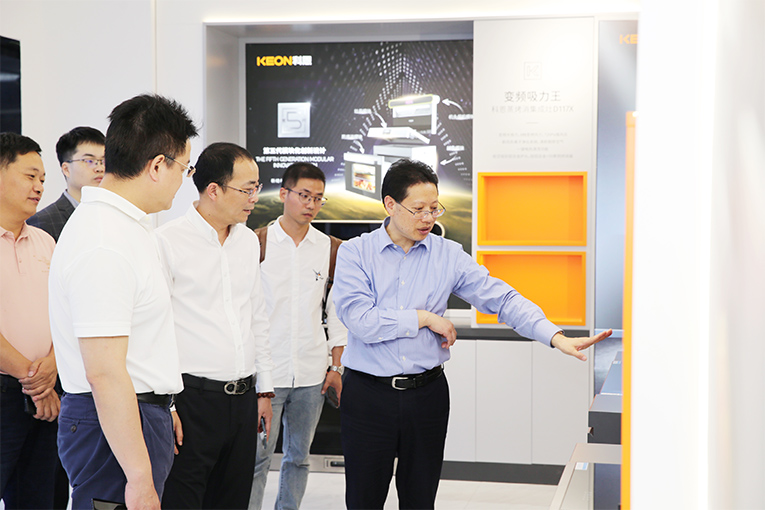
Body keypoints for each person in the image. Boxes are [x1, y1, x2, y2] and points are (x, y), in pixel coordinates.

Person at [332, 158, 612, 510]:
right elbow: (361, 320)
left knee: (420, 500)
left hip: (427, 396)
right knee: (364, 499)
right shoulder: (356, 253)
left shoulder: (447, 254)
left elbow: (501, 297)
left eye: (435, 208)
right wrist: (423, 318)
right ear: (390, 204)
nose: (428, 218)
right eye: (418, 209)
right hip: (368, 396)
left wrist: (555, 336)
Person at [49, 94, 198, 510]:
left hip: (131, 415)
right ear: (157, 165)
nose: (183, 180)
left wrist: (162, 404)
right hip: (110, 424)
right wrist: (138, 477)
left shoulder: (126, 227)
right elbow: (104, 371)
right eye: (184, 168)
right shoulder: (104, 240)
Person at [157, 142, 275, 509]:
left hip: (242, 401)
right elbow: (155, 329)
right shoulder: (167, 242)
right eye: (247, 189)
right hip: (192, 400)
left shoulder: (247, 241)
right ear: (213, 190)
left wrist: (264, 390)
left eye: (257, 187)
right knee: (184, 498)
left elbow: (257, 315)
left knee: (233, 499)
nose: (254, 198)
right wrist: (167, 405)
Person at [249, 162, 347, 510]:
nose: (311, 204)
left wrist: (336, 367)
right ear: (283, 194)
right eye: (304, 195)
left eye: (318, 198)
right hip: (268, 374)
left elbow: (336, 313)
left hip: (311, 372)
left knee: (299, 457)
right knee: (257, 459)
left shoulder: (330, 248)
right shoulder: (256, 242)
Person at [0, 132, 59, 509]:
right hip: (11, 388)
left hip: (46, 391)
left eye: (42, 179)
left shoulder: (45, 241)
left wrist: (52, 367)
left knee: (39, 498)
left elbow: (64, 315)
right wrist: (34, 380)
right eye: (29, 176)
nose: (39, 187)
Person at [28, 126, 105, 241]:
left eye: (103, 161)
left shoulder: (112, 215)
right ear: (66, 169)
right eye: (89, 161)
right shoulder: (43, 223)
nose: (99, 168)